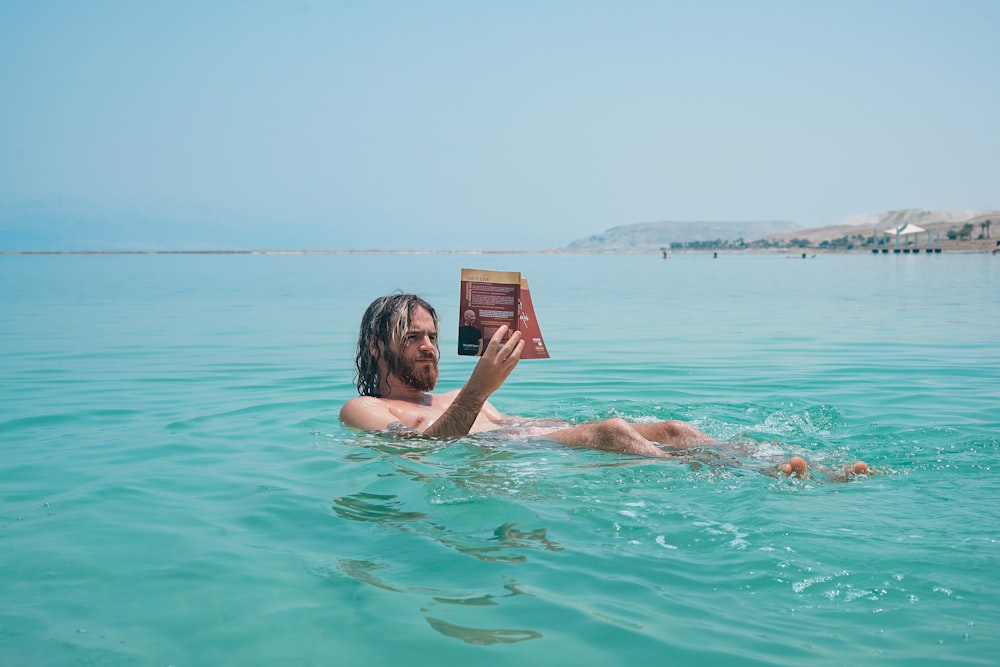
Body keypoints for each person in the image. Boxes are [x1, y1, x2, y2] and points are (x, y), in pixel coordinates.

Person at [340, 293, 872, 480]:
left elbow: (516, 426)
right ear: (375, 347)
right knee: (614, 431)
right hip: (514, 457)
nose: (430, 345)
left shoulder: (457, 396)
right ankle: (758, 480)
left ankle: (816, 471)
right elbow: (424, 452)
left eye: (433, 335)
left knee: (674, 427)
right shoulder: (362, 408)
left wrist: (483, 391)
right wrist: (479, 390)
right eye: (414, 338)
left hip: (535, 438)